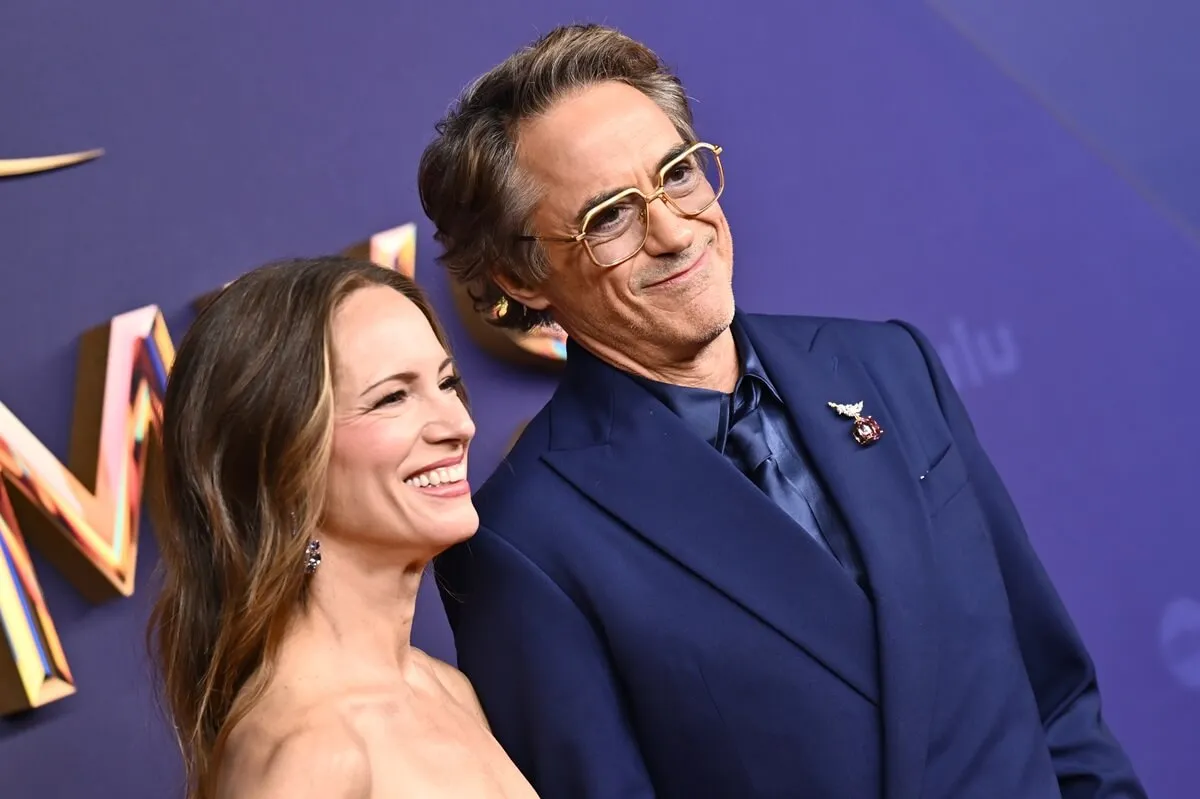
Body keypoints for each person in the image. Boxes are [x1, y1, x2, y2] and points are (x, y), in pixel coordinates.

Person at [418, 24, 1146, 799]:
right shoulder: (523, 542)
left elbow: (1056, 697)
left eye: (679, 174)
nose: (672, 231)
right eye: (610, 219)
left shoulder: (889, 366)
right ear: (519, 276)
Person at [148, 256, 538, 799]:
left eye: (446, 383)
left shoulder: (443, 688)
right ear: (283, 466)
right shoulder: (309, 753)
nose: (459, 424)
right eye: (392, 398)